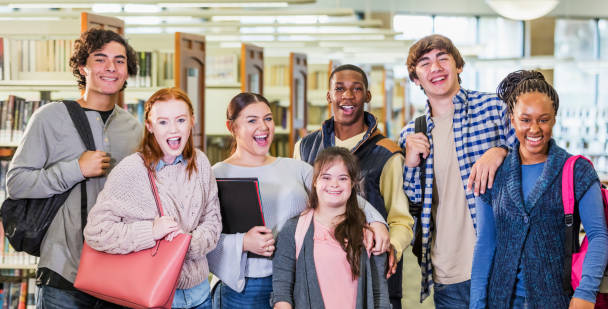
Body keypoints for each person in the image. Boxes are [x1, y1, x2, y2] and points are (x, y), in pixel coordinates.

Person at [206, 92, 389, 309]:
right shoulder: (215, 174)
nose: (263, 127)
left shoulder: (295, 167)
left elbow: (337, 191)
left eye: (268, 118)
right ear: (232, 127)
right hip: (243, 287)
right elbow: (202, 238)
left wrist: (377, 222)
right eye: (252, 120)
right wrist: (242, 242)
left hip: (295, 278)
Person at [6, 28, 142, 308]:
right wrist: (75, 169)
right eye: (100, 59)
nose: (110, 67)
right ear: (83, 67)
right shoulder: (50, 118)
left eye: (119, 60)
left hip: (118, 272)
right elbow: (17, 182)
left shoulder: (134, 129)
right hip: (63, 271)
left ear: (128, 71)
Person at [470, 70, 608, 309]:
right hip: (501, 300)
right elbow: (486, 243)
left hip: (558, 299)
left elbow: (598, 236)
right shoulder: (494, 173)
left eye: (543, 119)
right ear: (512, 119)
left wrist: (586, 291)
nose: (534, 129)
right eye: (525, 120)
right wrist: (476, 303)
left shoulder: (577, 171)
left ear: (554, 119)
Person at [398, 34, 515, 307]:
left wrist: (502, 152)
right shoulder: (411, 134)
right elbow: (412, 203)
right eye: (425, 63)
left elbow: (536, 160)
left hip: (500, 263)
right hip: (447, 270)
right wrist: (410, 165)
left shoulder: (495, 109)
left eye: (443, 58)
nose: (435, 68)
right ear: (416, 78)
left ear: (458, 66)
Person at [84, 87, 222, 309]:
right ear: (149, 126)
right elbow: (96, 232)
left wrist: (186, 244)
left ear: (192, 121)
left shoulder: (201, 163)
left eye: (180, 120)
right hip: (152, 295)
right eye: (163, 122)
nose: (173, 129)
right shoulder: (132, 170)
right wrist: (151, 231)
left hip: (200, 295)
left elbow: (213, 221)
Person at [294, 64, 413, 308]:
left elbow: (401, 220)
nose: (347, 96)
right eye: (339, 89)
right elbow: (299, 210)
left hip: (369, 273)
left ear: (368, 96)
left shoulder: (388, 154)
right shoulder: (304, 148)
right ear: (328, 95)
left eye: (356, 89)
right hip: (318, 274)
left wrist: (392, 246)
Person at [272, 147, 390, 309]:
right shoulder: (293, 229)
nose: (334, 184)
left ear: (352, 183)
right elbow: (282, 291)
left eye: (342, 178)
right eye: (326, 177)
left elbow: (380, 295)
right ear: (315, 181)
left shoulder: (369, 234)